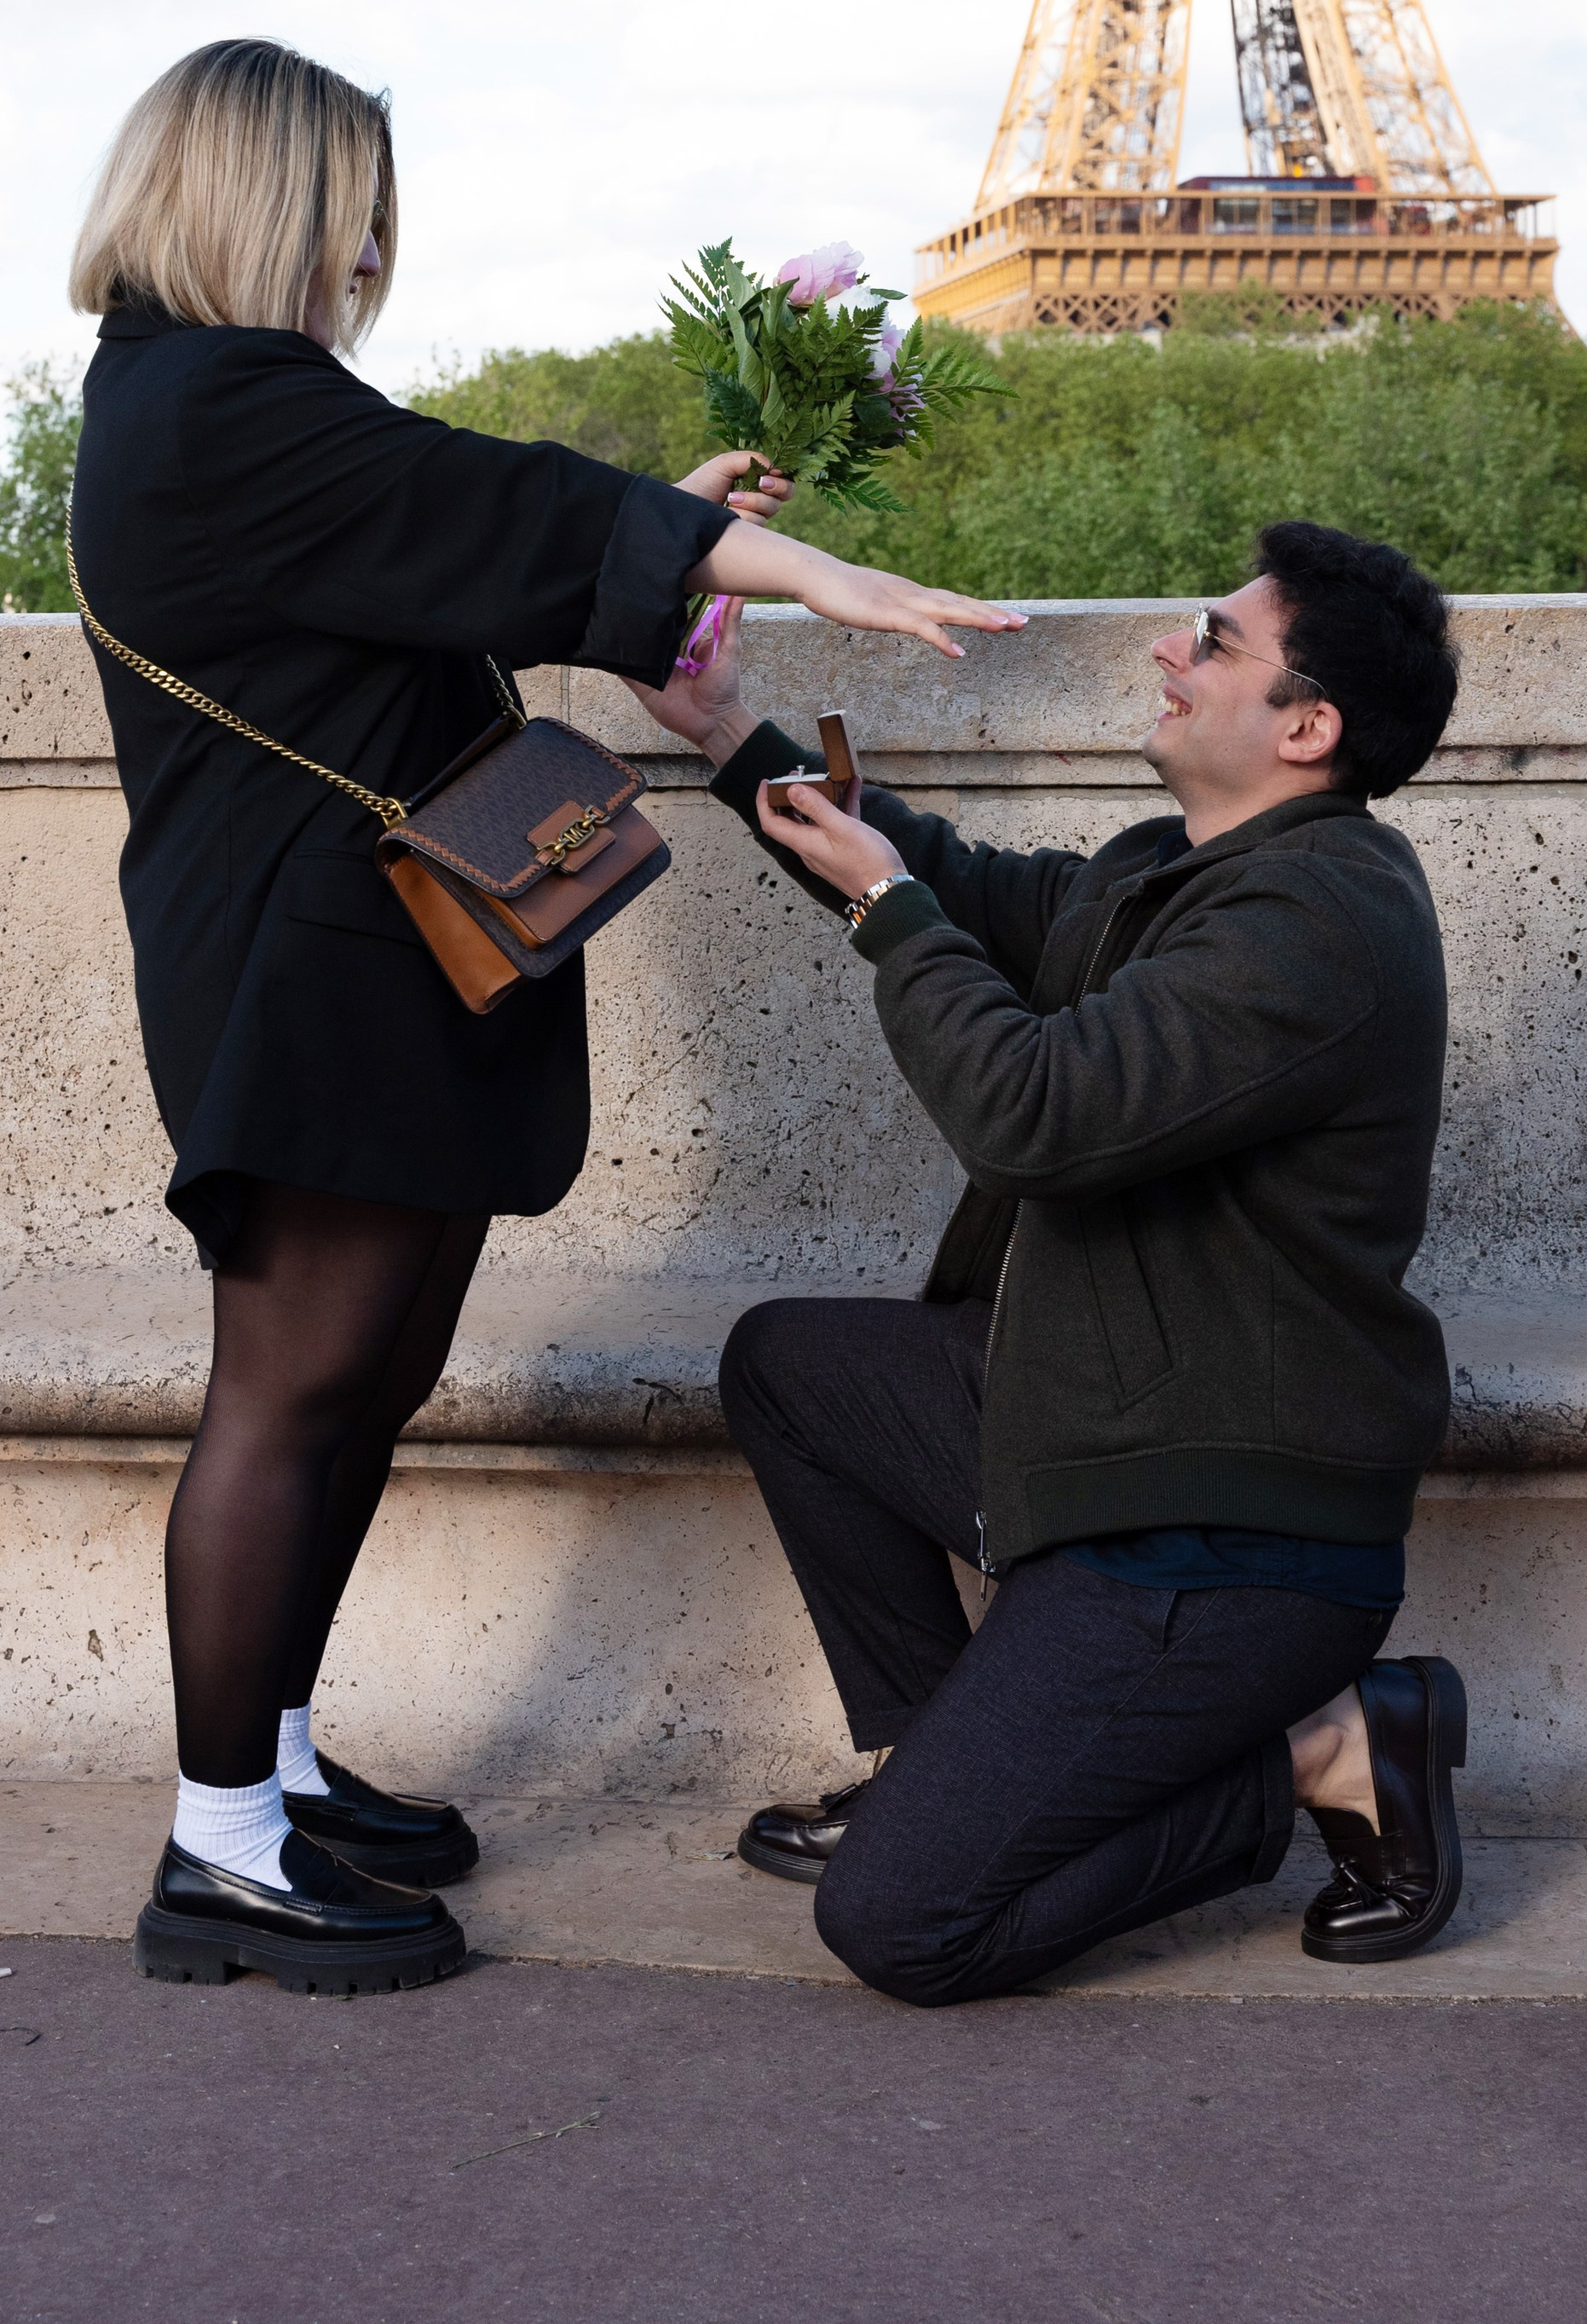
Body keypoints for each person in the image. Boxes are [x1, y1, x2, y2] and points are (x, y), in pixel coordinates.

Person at [66, 37, 1021, 1995]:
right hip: (307, 965)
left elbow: (412, 551)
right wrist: (801, 563)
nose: (370, 249)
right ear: (269, 199)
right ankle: (217, 1850)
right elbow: (483, 498)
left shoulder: (204, 405)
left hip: (356, 950)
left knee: (365, 1372)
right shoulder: (213, 396)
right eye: (355, 210)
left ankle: (274, 1764)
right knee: (290, 1384)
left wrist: (666, 521)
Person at [627, 520, 1469, 2004]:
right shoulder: (1179, 869)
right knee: (797, 1367)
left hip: (1221, 1531)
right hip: (1103, 1427)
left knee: (903, 1928)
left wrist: (897, 917)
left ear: (1308, 724)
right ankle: (942, 1759)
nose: (1168, 648)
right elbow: (953, 887)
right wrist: (721, 731)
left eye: (1213, 639)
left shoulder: (1324, 921)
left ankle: (1334, 1750)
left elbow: (1036, 1115)